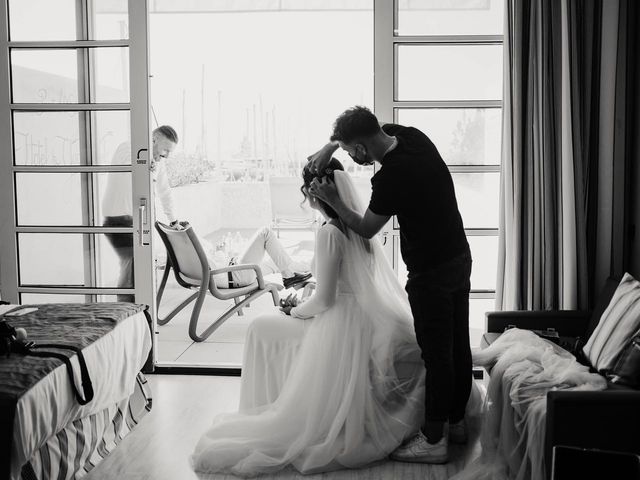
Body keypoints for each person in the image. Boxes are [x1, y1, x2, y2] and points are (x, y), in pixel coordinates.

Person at [190, 159, 428, 476]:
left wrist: (295, 309)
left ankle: (263, 406)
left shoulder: (329, 232)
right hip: (363, 316)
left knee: (261, 327)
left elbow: (327, 299)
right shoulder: (358, 227)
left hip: (342, 323)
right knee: (267, 325)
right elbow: (348, 285)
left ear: (313, 193)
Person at [307, 106, 472, 464]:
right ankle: (457, 422)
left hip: (431, 272)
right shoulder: (414, 138)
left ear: (363, 148)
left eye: (352, 151)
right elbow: (369, 128)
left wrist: (333, 200)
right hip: (459, 257)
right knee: (458, 343)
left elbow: (366, 228)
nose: (351, 158)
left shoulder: (391, 177)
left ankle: (434, 440)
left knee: (437, 354)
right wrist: (331, 146)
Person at [102, 125, 181, 302]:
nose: (167, 155)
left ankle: (140, 313)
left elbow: (164, 191)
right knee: (131, 269)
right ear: (153, 140)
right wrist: (144, 162)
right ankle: (126, 315)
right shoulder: (127, 148)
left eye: (170, 152)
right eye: (166, 150)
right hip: (119, 219)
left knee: (139, 270)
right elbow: (127, 166)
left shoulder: (157, 163)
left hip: (138, 221)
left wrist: (173, 220)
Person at [194, 225, 312, 290]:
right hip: (236, 274)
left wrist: (220, 252)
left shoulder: (190, 256)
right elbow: (215, 270)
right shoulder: (194, 253)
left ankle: (304, 272)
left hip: (234, 272)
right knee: (265, 232)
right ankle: (290, 276)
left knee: (276, 261)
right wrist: (220, 253)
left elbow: (212, 263)